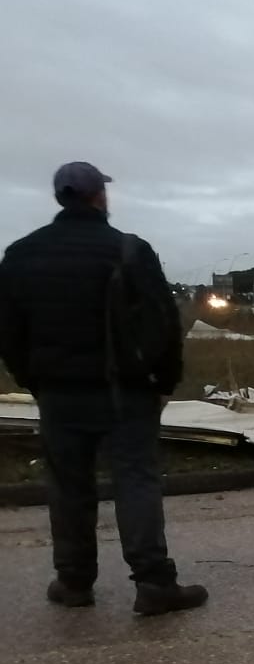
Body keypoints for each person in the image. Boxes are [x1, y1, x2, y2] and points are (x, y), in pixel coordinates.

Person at [0, 162, 207, 615]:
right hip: (125, 393)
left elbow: (9, 331)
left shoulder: (20, 254)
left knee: (68, 486)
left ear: (61, 198)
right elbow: (163, 323)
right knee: (135, 481)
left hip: (57, 393)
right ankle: (154, 583)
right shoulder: (130, 250)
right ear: (99, 196)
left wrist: (31, 380)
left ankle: (73, 582)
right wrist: (163, 382)